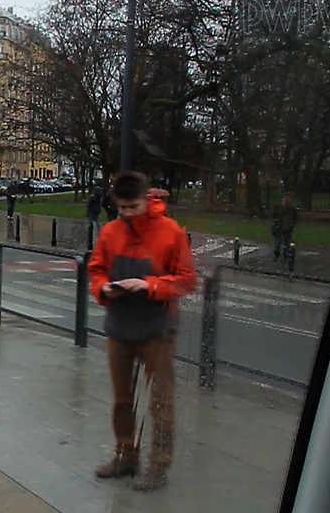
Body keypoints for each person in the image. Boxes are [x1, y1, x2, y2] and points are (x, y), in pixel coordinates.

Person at [87, 172, 196, 492]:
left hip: (157, 329)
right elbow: (96, 269)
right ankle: (126, 455)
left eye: (132, 206)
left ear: (147, 200)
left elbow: (186, 279)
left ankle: (158, 466)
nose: (126, 213)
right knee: (122, 399)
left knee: (160, 402)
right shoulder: (110, 232)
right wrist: (104, 289)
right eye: (121, 207)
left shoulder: (170, 232)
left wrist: (148, 285)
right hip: (120, 325)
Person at [272, 194, 297, 263]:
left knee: (287, 243)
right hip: (279, 228)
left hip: (288, 228)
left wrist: (292, 225)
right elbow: (275, 216)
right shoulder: (278, 208)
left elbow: (294, 218)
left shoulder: (292, 209)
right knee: (277, 243)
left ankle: (286, 257)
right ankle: (277, 255)